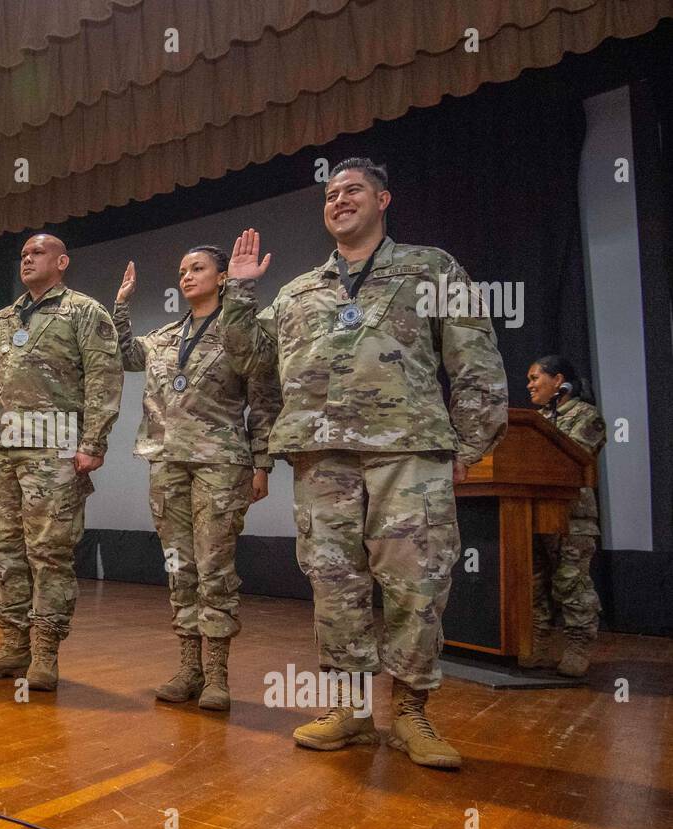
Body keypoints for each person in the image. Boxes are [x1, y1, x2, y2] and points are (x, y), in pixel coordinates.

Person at [224, 159, 508, 770]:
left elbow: (475, 359)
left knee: (416, 583)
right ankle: (349, 711)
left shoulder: (432, 268)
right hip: (321, 454)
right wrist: (240, 291)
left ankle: (410, 713)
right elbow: (248, 358)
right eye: (330, 194)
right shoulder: (298, 290)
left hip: (408, 449)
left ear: (384, 198)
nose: (339, 200)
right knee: (334, 583)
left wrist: (469, 445)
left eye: (352, 190)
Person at [0, 235, 123, 691]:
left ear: (61, 262)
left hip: (56, 448)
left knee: (49, 552)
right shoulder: (4, 319)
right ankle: (12, 646)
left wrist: (93, 442)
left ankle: (45, 654)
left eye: (36, 253)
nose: (26, 258)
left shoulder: (84, 311)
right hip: (4, 451)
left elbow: (105, 378)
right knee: (6, 550)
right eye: (22, 254)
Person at [111, 247, 280, 709]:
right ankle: (188, 667)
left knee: (215, 568)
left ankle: (217, 678)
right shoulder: (166, 336)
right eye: (182, 270)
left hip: (220, 463)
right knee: (178, 566)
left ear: (223, 277)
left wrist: (262, 463)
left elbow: (265, 400)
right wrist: (122, 304)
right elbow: (126, 356)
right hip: (166, 462)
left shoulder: (243, 332)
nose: (186, 276)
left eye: (198, 268)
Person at [525, 355, 607, 677]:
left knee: (571, 583)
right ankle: (540, 645)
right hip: (535, 516)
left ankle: (578, 645)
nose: (530, 385)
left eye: (535, 378)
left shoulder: (587, 416)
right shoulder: (536, 421)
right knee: (536, 584)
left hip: (573, 517)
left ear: (559, 381)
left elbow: (572, 456)